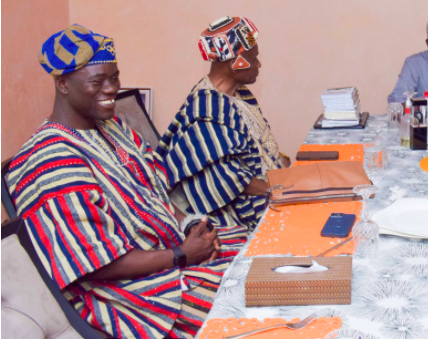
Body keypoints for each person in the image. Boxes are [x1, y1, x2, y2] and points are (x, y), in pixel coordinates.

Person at [8, 24, 245, 338]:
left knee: (264, 253)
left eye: (114, 77)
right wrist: (182, 255)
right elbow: (94, 261)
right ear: (63, 84)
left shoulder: (114, 129)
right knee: (253, 306)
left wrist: (190, 224)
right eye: (98, 81)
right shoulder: (49, 159)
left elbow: (157, 194)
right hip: (134, 294)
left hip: (172, 253)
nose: (111, 89)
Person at [159, 17, 287, 230]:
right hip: (234, 215)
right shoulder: (207, 108)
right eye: (253, 58)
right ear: (234, 64)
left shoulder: (238, 94)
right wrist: (282, 189)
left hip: (269, 187)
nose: (259, 64)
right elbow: (228, 179)